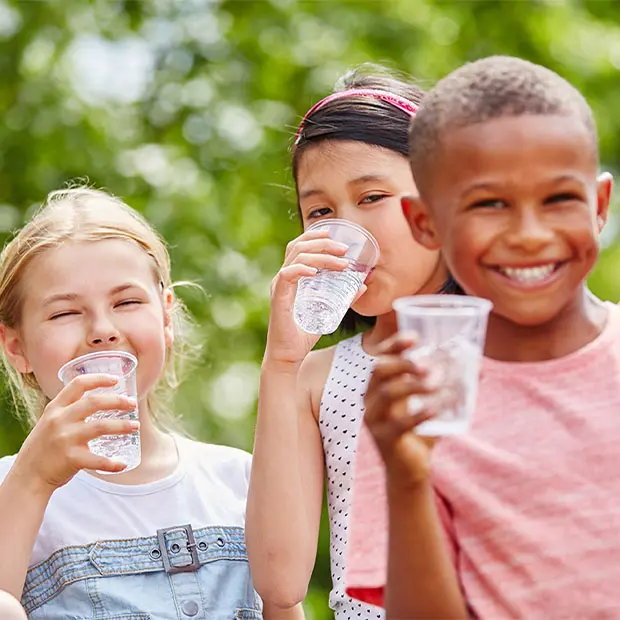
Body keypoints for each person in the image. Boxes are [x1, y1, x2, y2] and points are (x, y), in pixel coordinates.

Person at [345, 55, 620, 619]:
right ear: (426, 223)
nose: (528, 234)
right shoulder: (414, 403)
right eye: (489, 204)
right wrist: (407, 476)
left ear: (599, 205)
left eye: (558, 199)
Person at [0, 187, 303, 619]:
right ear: (15, 346)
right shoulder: (10, 488)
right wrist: (33, 479)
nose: (102, 330)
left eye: (126, 302)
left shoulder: (239, 480)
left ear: (165, 316)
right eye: (65, 312)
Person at [246, 66, 459, 620]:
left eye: (371, 197)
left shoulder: (518, 345)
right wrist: (281, 363)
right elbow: (279, 582)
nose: (344, 231)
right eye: (320, 212)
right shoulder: (314, 379)